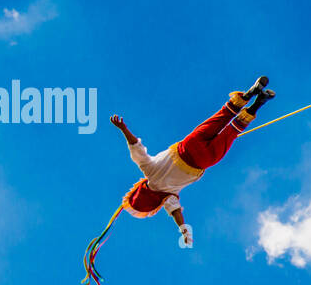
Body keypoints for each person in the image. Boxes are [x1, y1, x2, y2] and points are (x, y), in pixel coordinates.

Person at [112, 76, 274, 242]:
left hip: (204, 161)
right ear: (139, 189)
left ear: (155, 204)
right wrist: (124, 129)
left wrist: (184, 230)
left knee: (231, 132)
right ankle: (250, 93)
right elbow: (136, 148)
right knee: (220, 118)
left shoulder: (168, 197)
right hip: (189, 145)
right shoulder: (149, 170)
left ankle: (259, 102)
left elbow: (176, 213)